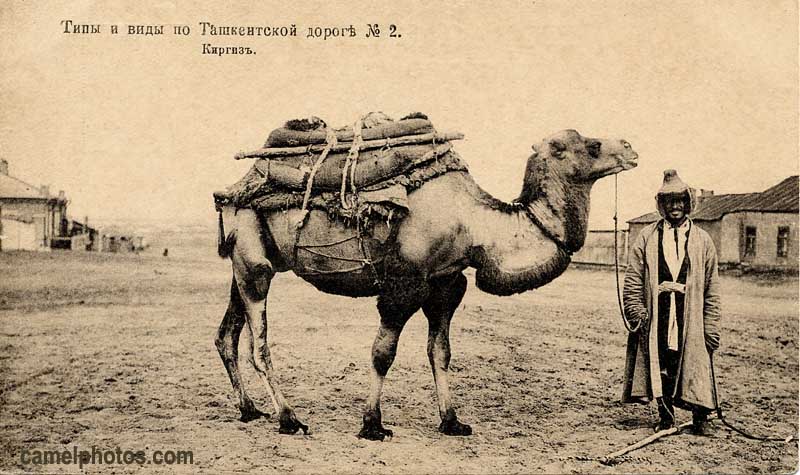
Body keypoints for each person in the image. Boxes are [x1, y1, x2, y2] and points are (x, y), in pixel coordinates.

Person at [621, 169, 722, 436]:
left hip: (692, 314)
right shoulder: (647, 237)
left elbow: (712, 288)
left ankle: (701, 418)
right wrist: (637, 311)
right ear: (661, 204)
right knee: (663, 361)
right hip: (659, 312)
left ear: (688, 202)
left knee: (696, 361)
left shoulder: (703, 240)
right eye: (669, 201)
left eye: (680, 200)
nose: (675, 206)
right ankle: (665, 418)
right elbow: (633, 279)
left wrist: (711, 326)